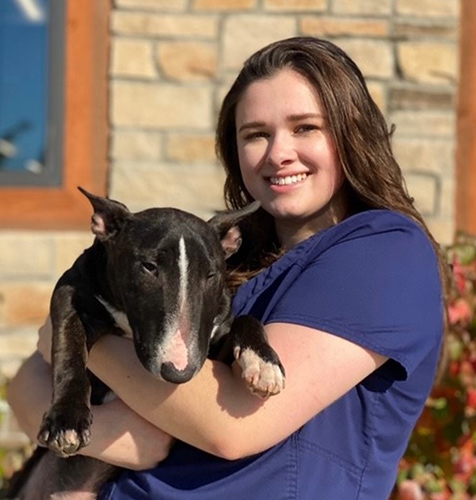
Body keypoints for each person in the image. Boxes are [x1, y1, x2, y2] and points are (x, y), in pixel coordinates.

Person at [7, 36, 447, 499]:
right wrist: (96, 438)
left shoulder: (384, 250)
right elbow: (23, 387)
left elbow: (232, 424)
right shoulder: (220, 263)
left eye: (305, 128)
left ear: (351, 131)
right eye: (256, 134)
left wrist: (75, 333)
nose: (279, 153)